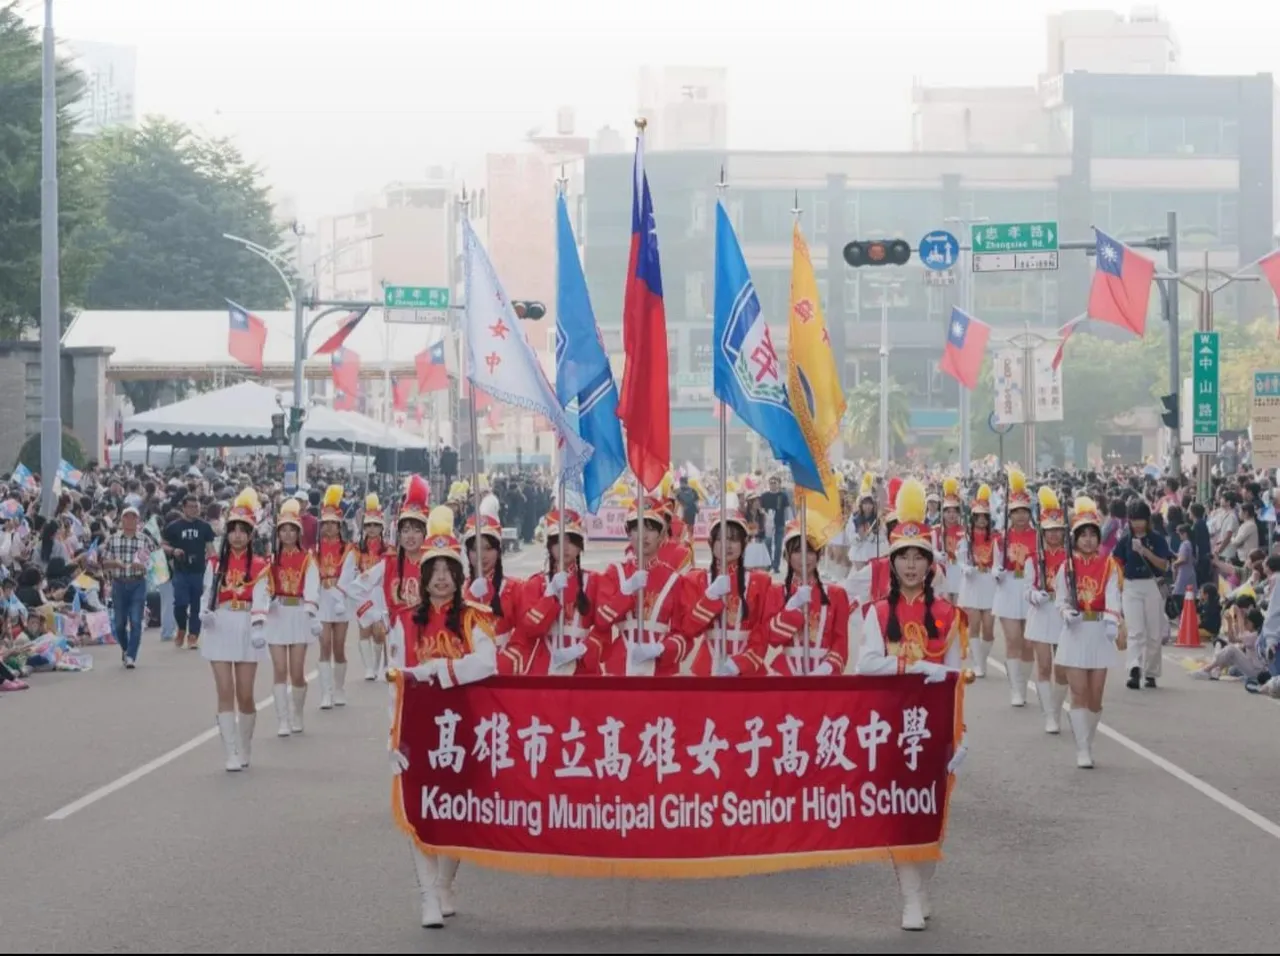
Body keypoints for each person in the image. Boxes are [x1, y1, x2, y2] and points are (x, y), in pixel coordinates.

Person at [853, 477, 969, 931]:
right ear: (893, 562)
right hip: (891, 724)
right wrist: (914, 668)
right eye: (904, 556)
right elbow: (865, 664)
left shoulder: (948, 616)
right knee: (901, 811)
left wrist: (963, 732)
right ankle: (909, 895)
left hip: (936, 725)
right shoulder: (877, 613)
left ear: (931, 564)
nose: (912, 565)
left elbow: (958, 678)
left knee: (932, 811)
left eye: (920, 556)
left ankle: (922, 886)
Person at [386, 504, 498, 929]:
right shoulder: (404, 623)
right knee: (419, 811)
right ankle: (426, 895)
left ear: (458, 573)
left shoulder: (475, 618)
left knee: (455, 810)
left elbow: (488, 664)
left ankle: (445, 883)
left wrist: (441, 671)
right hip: (417, 731)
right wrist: (391, 736)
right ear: (424, 574)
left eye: (449, 568)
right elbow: (396, 679)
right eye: (434, 569)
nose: (441, 577)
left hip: (463, 729)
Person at [199, 488, 271, 772]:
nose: (237, 535)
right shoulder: (216, 564)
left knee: (245, 694)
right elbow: (208, 592)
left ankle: (245, 745)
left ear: (251, 534)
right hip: (220, 626)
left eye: (243, 530)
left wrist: (257, 624)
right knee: (224, 690)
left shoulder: (260, 565)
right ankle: (229, 751)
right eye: (233, 530)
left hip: (246, 627)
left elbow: (262, 597)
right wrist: (205, 612)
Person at [1053, 496, 1124, 769]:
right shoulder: (1066, 567)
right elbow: (1060, 599)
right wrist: (1065, 613)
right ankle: (1082, 748)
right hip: (1075, 630)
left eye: (1092, 535)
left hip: (1098, 631)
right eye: (1082, 535)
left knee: (1096, 697)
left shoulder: (1109, 566)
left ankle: (1087, 738)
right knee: (1079, 691)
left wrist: (1112, 620)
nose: (1087, 540)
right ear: (1075, 538)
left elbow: (1113, 596)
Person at [591, 496, 693, 675]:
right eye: (636, 528)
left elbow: (685, 634)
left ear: (662, 534)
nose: (643, 535)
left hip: (660, 668)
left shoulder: (674, 579)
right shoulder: (615, 573)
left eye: (651, 529)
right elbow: (601, 622)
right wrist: (626, 592)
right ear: (628, 534)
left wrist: (661, 649)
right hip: (621, 664)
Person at [680, 494, 773, 676]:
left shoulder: (759, 582)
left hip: (747, 669)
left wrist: (740, 664)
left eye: (734, 539)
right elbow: (688, 629)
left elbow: (762, 632)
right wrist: (710, 597)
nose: (727, 545)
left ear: (744, 543)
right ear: (710, 543)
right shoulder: (697, 580)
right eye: (721, 539)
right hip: (708, 666)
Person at [508, 507, 607, 676]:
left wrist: (583, 648)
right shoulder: (536, 583)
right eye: (558, 540)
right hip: (545, 664)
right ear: (549, 545)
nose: (565, 547)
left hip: (582, 666)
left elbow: (604, 627)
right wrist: (549, 596)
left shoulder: (594, 581)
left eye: (570, 540)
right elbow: (528, 629)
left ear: (579, 545)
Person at [762, 515, 853, 676]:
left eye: (810, 550)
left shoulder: (836, 594)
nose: (804, 556)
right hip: (786, 675)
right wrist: (792, 607)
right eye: (797, 551)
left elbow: (841, 642)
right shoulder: (777, 592)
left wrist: (826, 669)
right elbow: (772, 638)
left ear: (819, 554)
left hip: (824, 676)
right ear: (786, 556)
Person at [266, 499, 321, 736]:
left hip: (299, 613)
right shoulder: (270, 560)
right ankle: (283, 719)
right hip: (277, 614)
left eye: (292, 530)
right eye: (283, 530)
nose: (287, 534)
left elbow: (312, 586)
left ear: (298, 532)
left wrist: (311, 610)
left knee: (297, 670)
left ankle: (297, 712)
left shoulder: (308, 559)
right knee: (280, 668)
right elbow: (263, 587)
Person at [1024, 486, 1070, 734]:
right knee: (1043, 666)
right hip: (1041, 613)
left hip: (1062, 614)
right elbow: (1025, 588)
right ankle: (1049, 715)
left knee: (1061, 669)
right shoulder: (1033, 557)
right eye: (1049, 531)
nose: (1053, 535)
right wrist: (1034, 595)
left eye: (1058, 531)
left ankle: (1056, 707)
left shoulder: (1069, 558)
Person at [993, 468, 1037, 707]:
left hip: (1029, 589)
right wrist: (997, 573)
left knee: (1028, 642)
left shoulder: (1038, 536)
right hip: (1009, 588)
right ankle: (1016, 690)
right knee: (1013, 640)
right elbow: (994, 565)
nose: (1020, 516)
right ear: (1009, 514)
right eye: (1016, 512)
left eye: (1024, 512)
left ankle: (1023, 684)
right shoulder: (1001, 538)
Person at [340, 494, 388, 681]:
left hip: (381, 593)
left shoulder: (388, 550)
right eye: (368, 525)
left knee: (380, 631)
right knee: (364, 629)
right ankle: (368, 668)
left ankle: (377, 665)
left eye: (376, 525)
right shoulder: (356, 549)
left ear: (382, 527)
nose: (372, 529)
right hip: (363, 594)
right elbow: (348, 571)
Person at [314, 484, 353, 709]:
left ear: (340, 526)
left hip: (341, 600)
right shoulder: (314, 551)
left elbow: (348, 575)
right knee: (324, 645)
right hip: (322, 599)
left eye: (333, 524)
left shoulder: (348, 549)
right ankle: (325, 693)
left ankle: (339, 688)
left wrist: (339, 595)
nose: (329, 527)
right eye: (325, 523)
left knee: (339, 646)